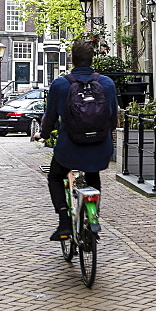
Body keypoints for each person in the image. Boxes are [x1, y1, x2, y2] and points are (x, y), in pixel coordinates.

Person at [36, 38, 119, 240]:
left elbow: (50, 118)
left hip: (70, 148)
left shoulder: (60, 84)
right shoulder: (107, 83)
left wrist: (43, 135)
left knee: (56, 176)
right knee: (93, 175)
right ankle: (93, 220)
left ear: (72, 59)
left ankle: (64, 222)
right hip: (100, 147)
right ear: (92, 59)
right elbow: (113, 119)